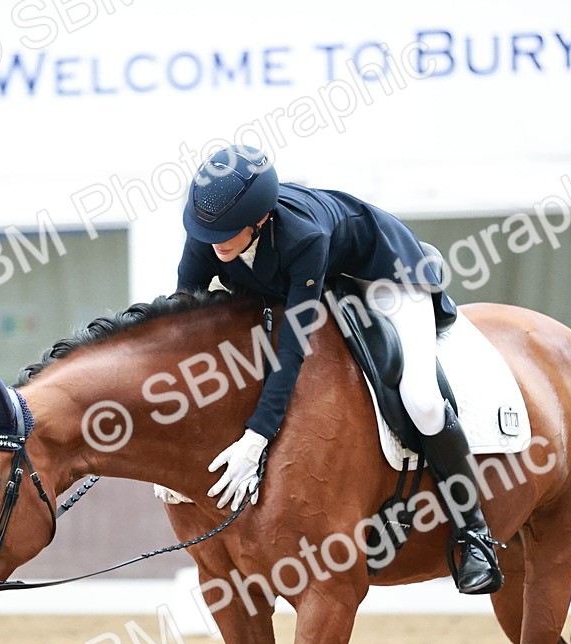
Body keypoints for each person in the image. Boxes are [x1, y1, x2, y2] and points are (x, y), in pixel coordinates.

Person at [175, 145, 503, 595]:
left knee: (422, 400)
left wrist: (256, 438)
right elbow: (181, 324)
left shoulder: (302, 237)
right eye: (208, 232)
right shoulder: (212, 233)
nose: (216, 243)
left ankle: (475, 534)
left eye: (228, 233)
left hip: (386, 275)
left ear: (259, 221)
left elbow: (292, 348)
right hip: (328, 282)